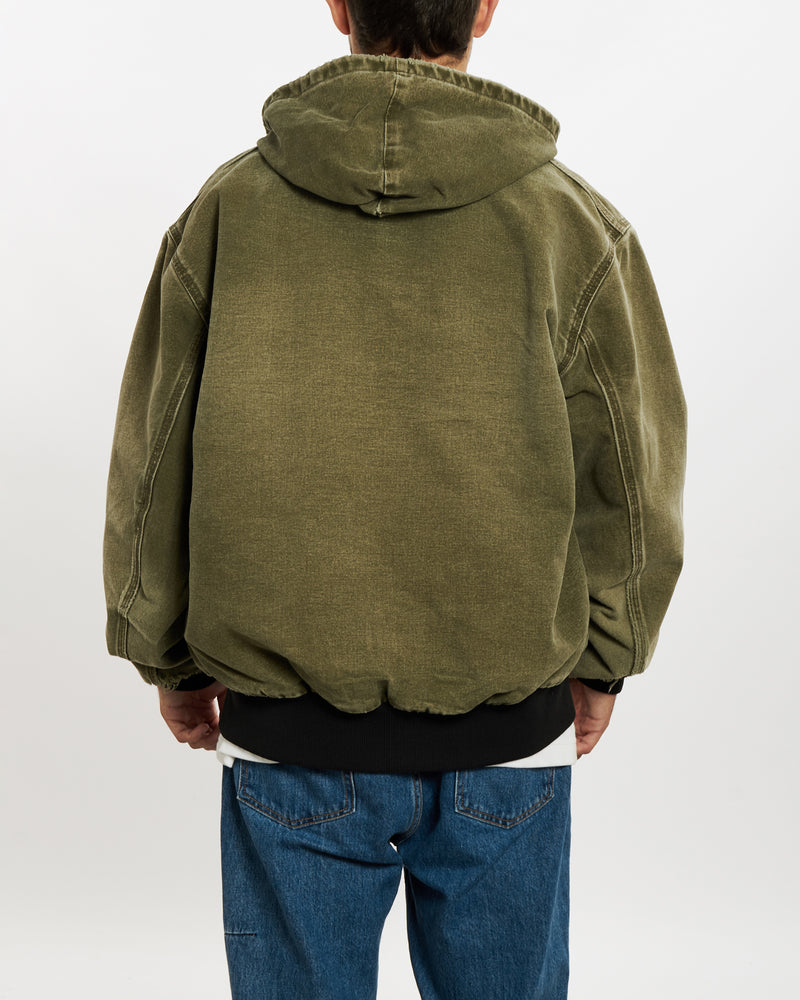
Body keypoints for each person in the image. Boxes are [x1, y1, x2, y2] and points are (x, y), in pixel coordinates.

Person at [103, 1, 687, 996]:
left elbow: (154, 455)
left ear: (338, 6)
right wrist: (606, 660)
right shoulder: (571, 223)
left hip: (288, 739)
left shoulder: (228, 212)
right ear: (485, 9)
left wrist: (165, 654)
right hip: (509, 737)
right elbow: (631, 478)